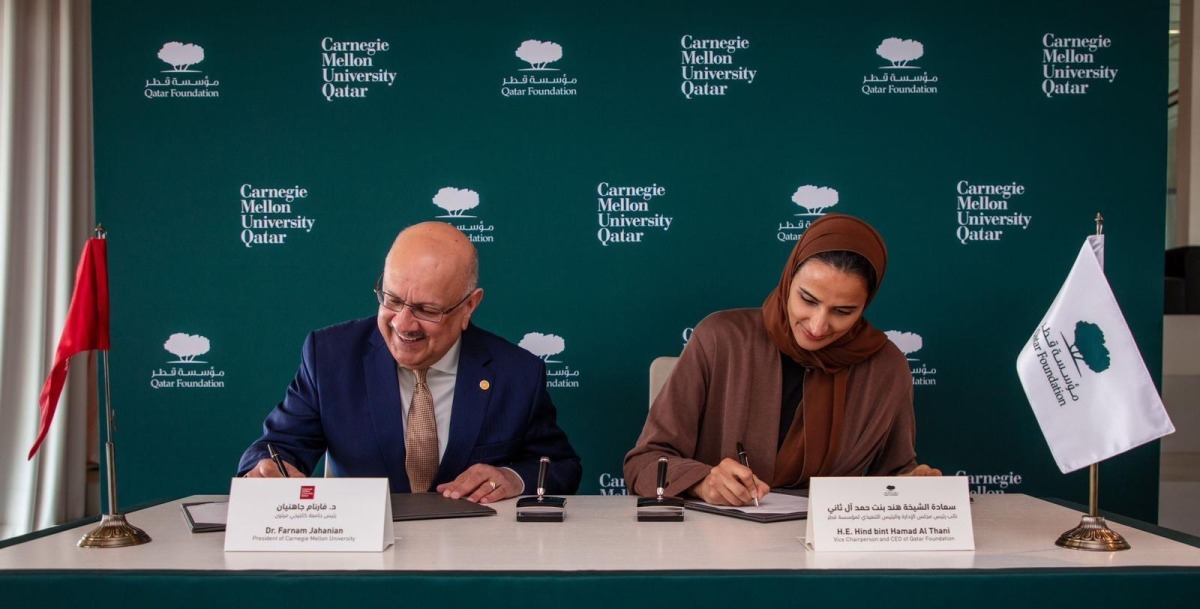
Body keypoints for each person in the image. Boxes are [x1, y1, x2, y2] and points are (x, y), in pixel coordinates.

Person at [238, 222, 581, 503]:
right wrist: (267, 469)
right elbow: (278, 447)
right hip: (363, 565)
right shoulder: (329, 356)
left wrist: (511, 478)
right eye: (392, 300)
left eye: (427, 310)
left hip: (474, 562)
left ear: (469, 306)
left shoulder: (517, 373)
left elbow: (559, 466)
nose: (403, 324)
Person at [624, 214, 939, 506]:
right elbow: (646, 463)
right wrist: (702, 482)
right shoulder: (721, 339)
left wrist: (913, 485)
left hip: (833, 554)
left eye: (843, 312)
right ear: (788, 280)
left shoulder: (886, 366)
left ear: (865, 305)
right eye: (807, 299)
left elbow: (894, 475)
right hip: (716, 545)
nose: (817, 326)